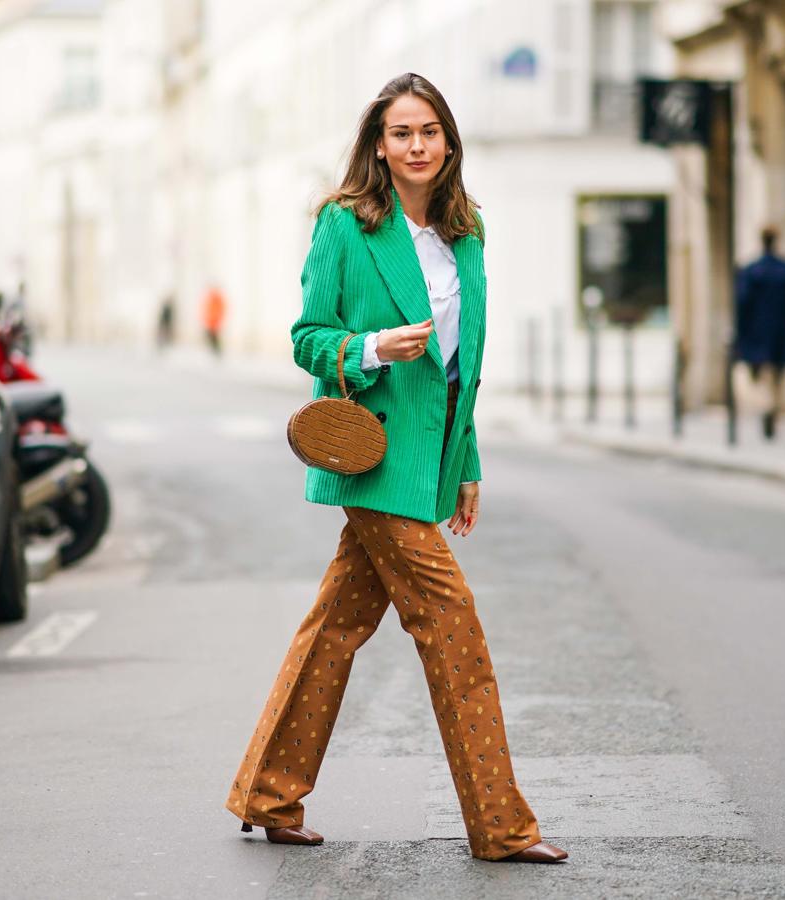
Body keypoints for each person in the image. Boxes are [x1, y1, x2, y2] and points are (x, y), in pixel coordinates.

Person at [224, 73, 567, 864]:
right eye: (402, 133)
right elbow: (309, 335)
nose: (417, 146)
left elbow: (464, 367)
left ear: (449, 143)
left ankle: (267, 793)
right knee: (454, 631)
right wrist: (373, 349)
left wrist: (468, 462)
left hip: (433, 457)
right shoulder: (346, 226)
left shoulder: (467, 229)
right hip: (373, 455)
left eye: (430, 132)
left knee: (337, 625)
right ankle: (501, 826)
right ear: (379, 143)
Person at [734, 226, 785, 439]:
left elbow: (742, 305)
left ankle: (767, 407)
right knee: (777, 374)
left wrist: (739, 336)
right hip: (781, 330)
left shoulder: (751, 270)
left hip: (757, 330)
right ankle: (772, 407)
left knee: (762, 374)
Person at [201, 284, 226, 357]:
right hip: (210, 321)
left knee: (215, 338)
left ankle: (217, 351)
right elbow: (207, 309)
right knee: (211, 337)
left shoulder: (218, 300)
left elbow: (220, 310)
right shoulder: (211, 299)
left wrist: (217, 318)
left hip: (215, 321)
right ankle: (214, 350)